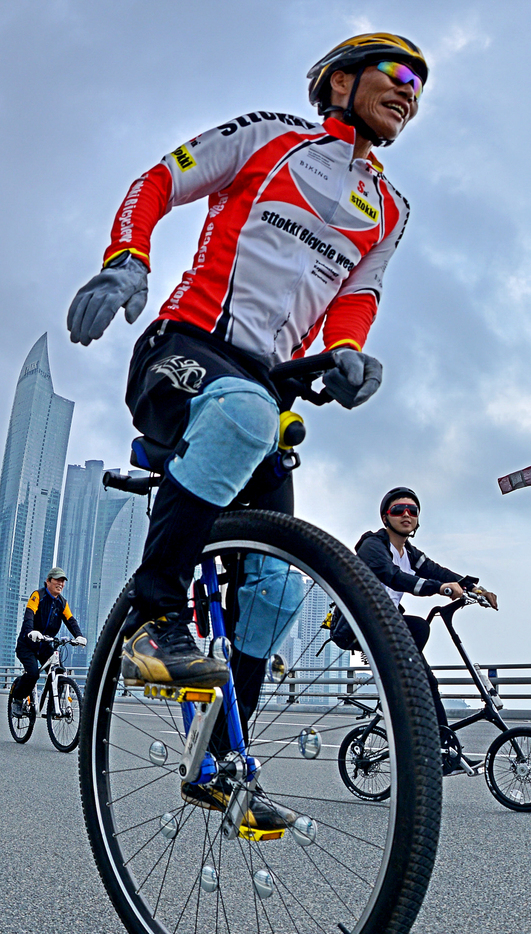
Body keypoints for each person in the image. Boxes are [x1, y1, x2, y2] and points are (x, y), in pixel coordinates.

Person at [64, 33, 425, 825]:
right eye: (398, 72)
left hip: (267, 388)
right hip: (183, 351)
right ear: (340, 81)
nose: (410, 90)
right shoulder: (270, 137)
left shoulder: (391, 211)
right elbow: (158, 180)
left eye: (421, 87)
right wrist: (126, 257)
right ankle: (155, 621)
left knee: (275, 587)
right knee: (247, 412)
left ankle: (220, 761)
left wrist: (349, 352)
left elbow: (357, 298)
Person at [350, 488, 497, 773]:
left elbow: (436, 571)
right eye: (398, 510)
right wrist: (439, 589)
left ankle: (445, 754)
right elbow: (394, 577)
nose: (406, 515)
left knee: (427, 674)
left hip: (388, 624)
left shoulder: (409, 553)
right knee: (418, 635)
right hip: (361, 624)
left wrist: (476, 588)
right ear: (385, 517)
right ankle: (404, 693)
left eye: (412, 511)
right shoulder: (373, 546)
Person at [11, 567, 85, 712]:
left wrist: (79, 636)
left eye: (63, 581)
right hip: (28, 644)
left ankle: (53, 707)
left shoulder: (62, 602)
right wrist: (30, 631)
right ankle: (18, 699)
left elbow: (70, 620)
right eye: (57, 580)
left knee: (59, 674)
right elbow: (29, 615)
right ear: (48, 581)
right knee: (33, 674)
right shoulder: (38, 595)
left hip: (45, 645)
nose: (60, 584)